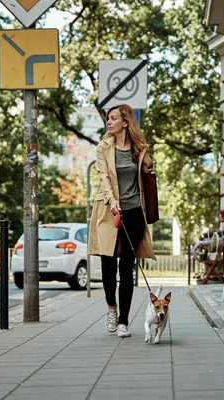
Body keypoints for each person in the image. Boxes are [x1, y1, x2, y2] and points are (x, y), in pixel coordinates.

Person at [88, 104, 157, 338]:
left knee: (127, 267)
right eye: (108, 118)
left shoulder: (140, 148)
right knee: (108, 266)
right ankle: (111, 308)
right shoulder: (103, 148)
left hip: (135, 211)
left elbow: (146, 173)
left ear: (125, 122)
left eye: (113, 118)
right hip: (109, 211)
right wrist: (112, 199)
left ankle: (123, 322)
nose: (109, 122)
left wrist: (148, 167)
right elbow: (103, 177)